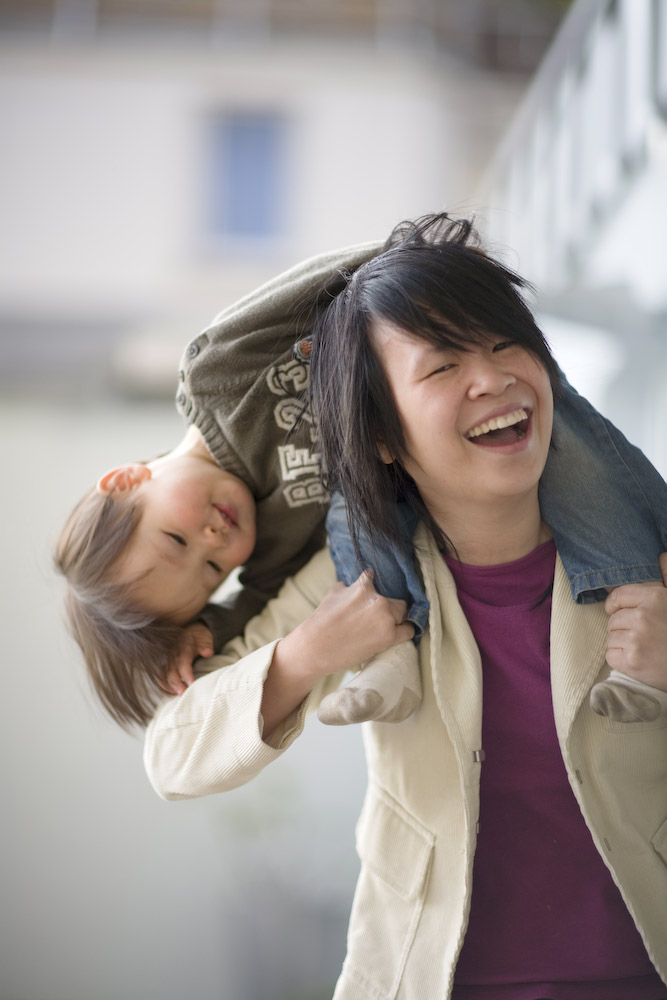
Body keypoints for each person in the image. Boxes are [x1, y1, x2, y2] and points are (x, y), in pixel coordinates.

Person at [144, 214, 667, 998]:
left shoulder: (637, 546)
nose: (490, 381)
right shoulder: (358, 578)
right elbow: (173, 758)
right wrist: (305, 656)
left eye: (503, 345)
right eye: (442, 365)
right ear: (381, 435)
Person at [57, 221, 666, 728]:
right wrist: (211, 627)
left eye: (176, 539)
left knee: (581, 460)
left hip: (419, 344)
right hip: (396, 476)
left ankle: (637, 592)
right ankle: (394, 659)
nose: (214, 544)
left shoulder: (216, 377)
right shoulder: (270, 544)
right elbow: (265, 603)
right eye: (212, 570)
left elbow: (305, 289)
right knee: (356, 524)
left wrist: (416, 260)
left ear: (125, 479)